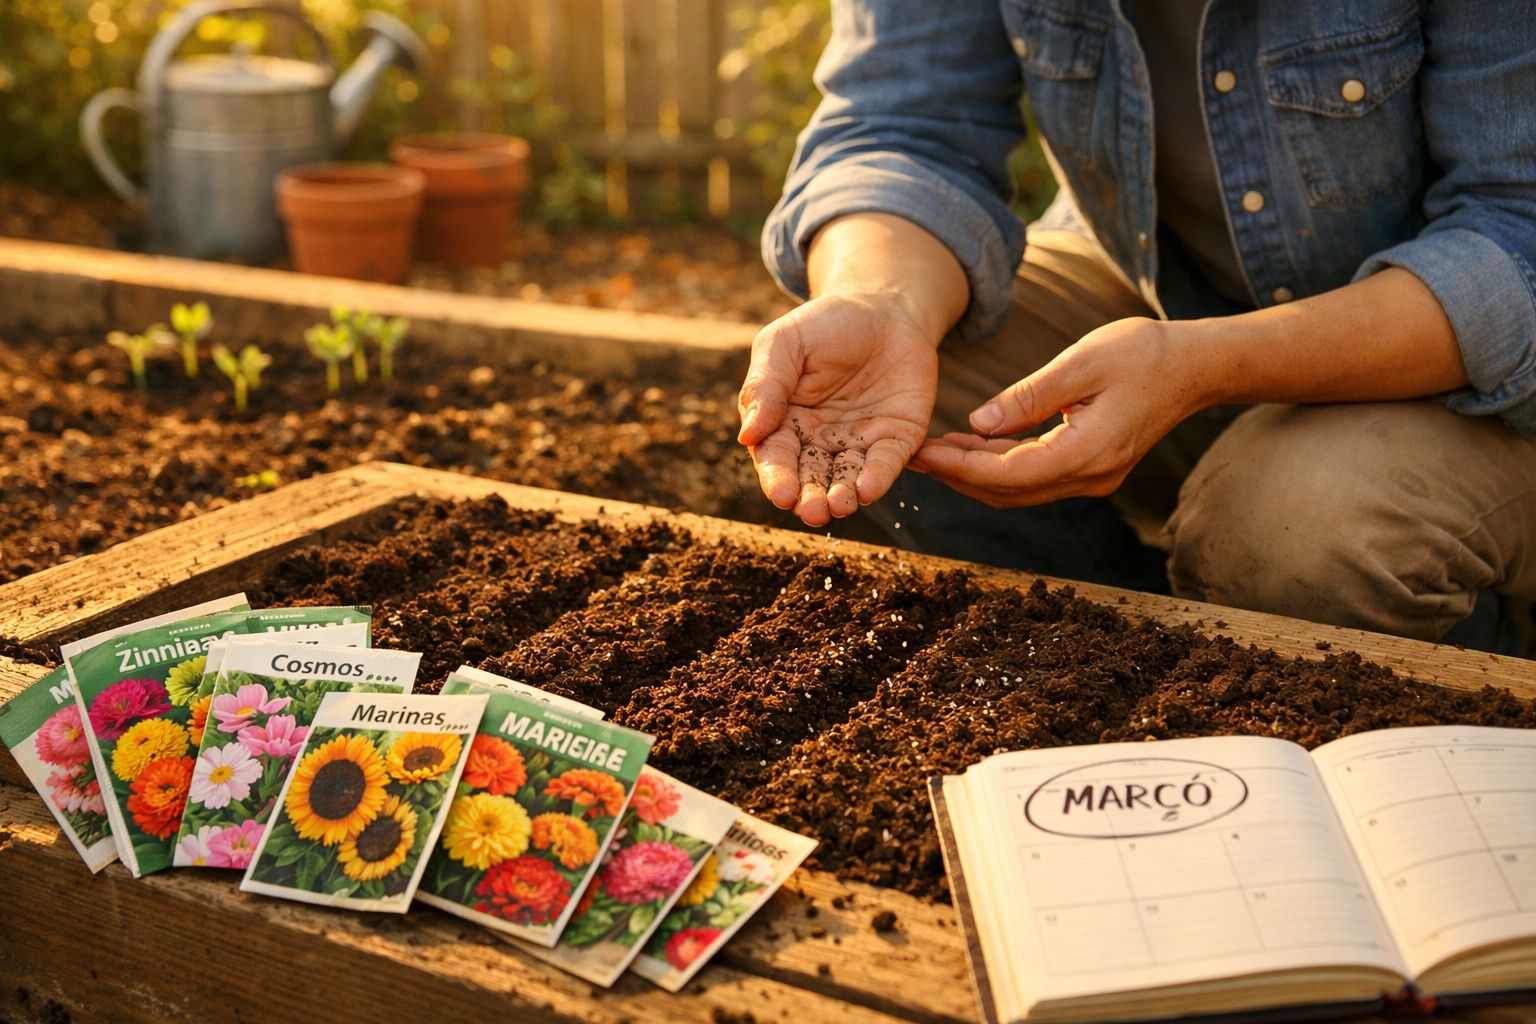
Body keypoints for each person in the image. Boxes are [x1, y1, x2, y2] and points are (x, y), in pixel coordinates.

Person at [737, 0, 1536, 652]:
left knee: (1298, 537)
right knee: (873, 406)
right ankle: (1130, 658)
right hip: (1160, 287)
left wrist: (1208, 364)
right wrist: (881, 300)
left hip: (1487, 377)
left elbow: (1517, 237)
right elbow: (899, 126)